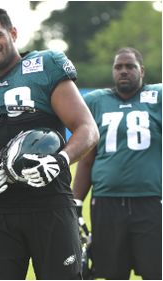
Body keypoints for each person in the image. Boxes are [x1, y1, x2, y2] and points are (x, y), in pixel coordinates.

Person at [0, 7, 99, 279]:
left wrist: (59, 160)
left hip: (50, 203)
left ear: (13, 33)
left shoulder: (45, 66)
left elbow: (88, 129)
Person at [72, 47, 161, 280]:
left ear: (141, 70)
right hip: (106, 203)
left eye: (129, 66)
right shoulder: (96, 101)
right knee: (112, 273)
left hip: (151, 202)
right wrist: (76, 200)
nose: (123, 71)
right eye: (118, 67)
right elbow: (87, 159)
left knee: (155, 271)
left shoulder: (157, 98)